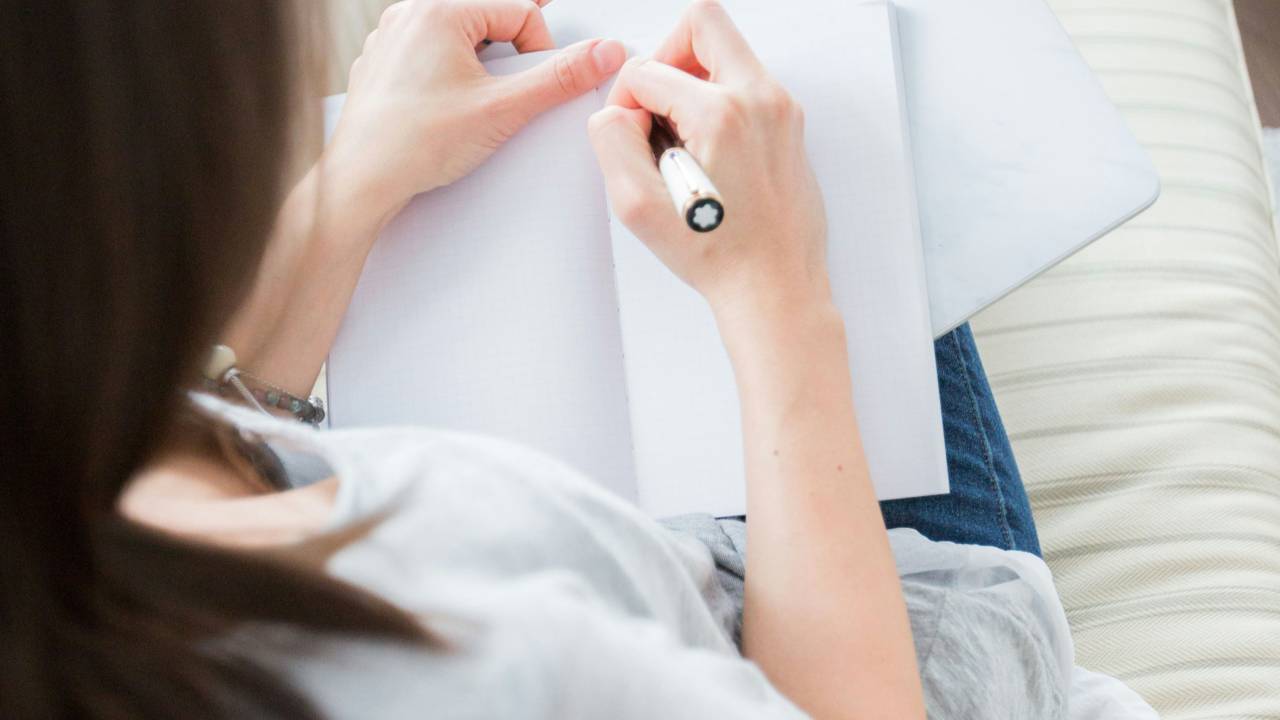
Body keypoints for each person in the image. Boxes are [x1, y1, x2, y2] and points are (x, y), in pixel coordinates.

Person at [0, 0, 1158, 718]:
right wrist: (775, 290)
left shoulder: (59, 490)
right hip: (873, 617)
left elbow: (194, 437)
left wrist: (357, 183)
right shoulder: (480, 665)